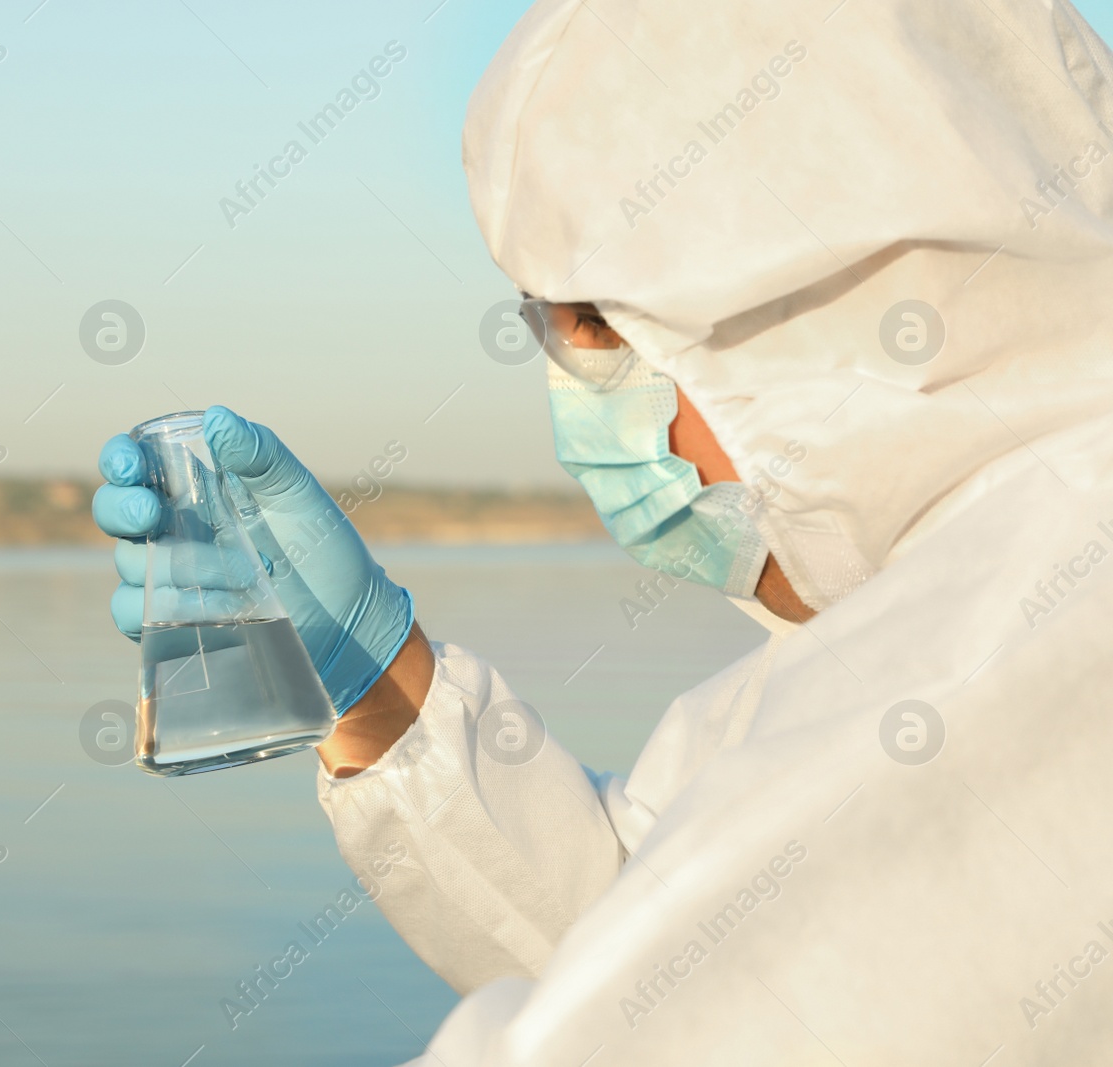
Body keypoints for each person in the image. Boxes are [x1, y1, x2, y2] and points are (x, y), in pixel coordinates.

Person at [96, 0, 1113, 1060]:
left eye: (593, 325)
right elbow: (647, 946)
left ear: (833, 297)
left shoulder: (1001, 671)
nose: (576, 404)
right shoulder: (897, 640)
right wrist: (380, 694)